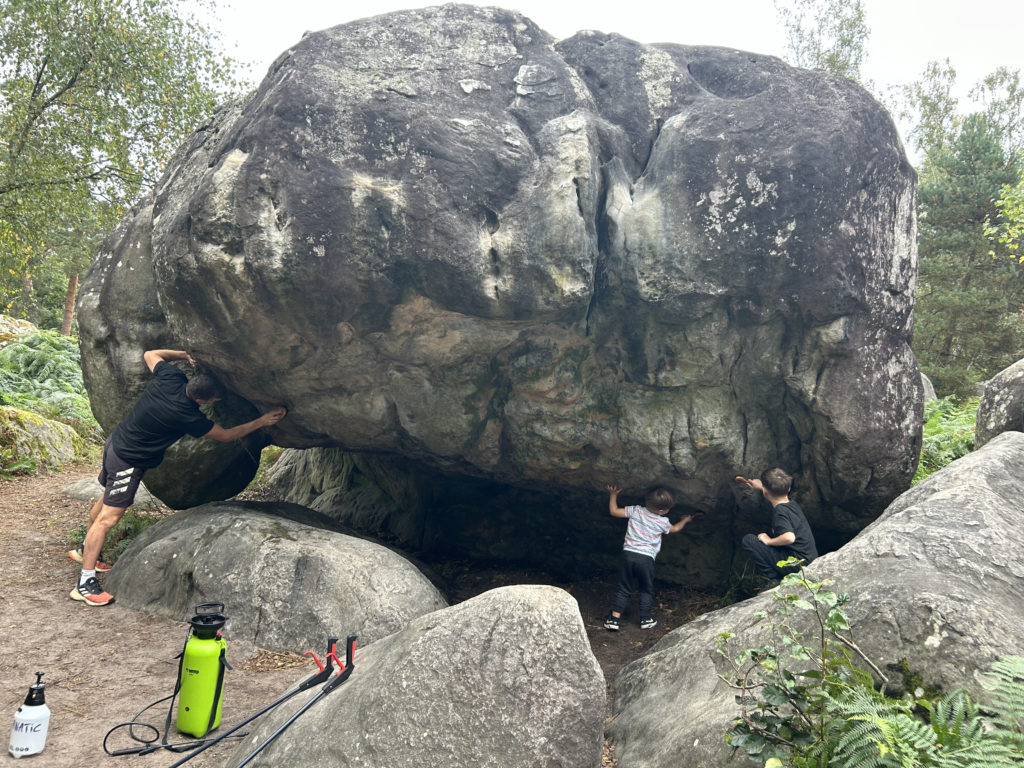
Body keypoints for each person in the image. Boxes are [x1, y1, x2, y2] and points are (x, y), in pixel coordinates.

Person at [69, 349, 287, 607]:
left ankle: (85, 549)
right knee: (110, 518)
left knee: (108, 499)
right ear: (207, 401)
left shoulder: (170, 377)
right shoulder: (188, 416)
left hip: (116, 443)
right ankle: (85, 583)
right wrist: (262, 421)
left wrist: (185, 354)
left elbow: (151, 354)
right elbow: (227, 435)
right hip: (128, 460)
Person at [602, 484, 698, 631]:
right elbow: (675, 529)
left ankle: (614, 620)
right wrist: (685, 520)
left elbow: (614, 511)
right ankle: (645, 619)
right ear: (661, 511)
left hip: (628, 555)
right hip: (646, 559)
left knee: (624, 588)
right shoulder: (663, 522)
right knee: (645, 589)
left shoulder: (636, 510)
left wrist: (613, 494)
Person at [740, 467, 818, 581]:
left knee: (749, 540)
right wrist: (761, 486)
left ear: (765, 492)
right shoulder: (791, 503)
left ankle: (775, 579)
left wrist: (769, 541)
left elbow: (789, 538)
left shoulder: (780, 513)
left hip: (797, 565)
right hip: (810, 558)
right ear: (789, 488)